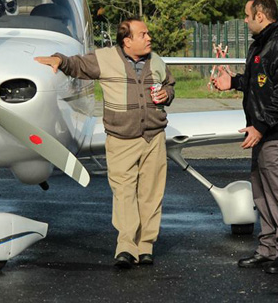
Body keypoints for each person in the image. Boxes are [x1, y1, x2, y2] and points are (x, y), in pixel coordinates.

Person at [35, 18, 175, 269]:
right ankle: (125, 247)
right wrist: (58, 59)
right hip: (121, 140)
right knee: (124, 194)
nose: (149, 38)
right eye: (143, 34)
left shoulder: (157, 61)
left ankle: (146, 247)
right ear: (127, 41)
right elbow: (77, 64)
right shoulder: (105, 58)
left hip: (153, 137)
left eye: (148, 34)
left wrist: (167, 93)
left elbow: (169, 85)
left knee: (151, 194)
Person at [213, 0, 278, 275]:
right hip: (263, 132)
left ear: (260, 14)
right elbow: (260, 83)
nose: (244, 20)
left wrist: (261, 126)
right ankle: (268, 249)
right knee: (262, 193)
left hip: (277, 133)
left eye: (247, 15)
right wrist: (233, 82)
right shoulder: (263, 45)